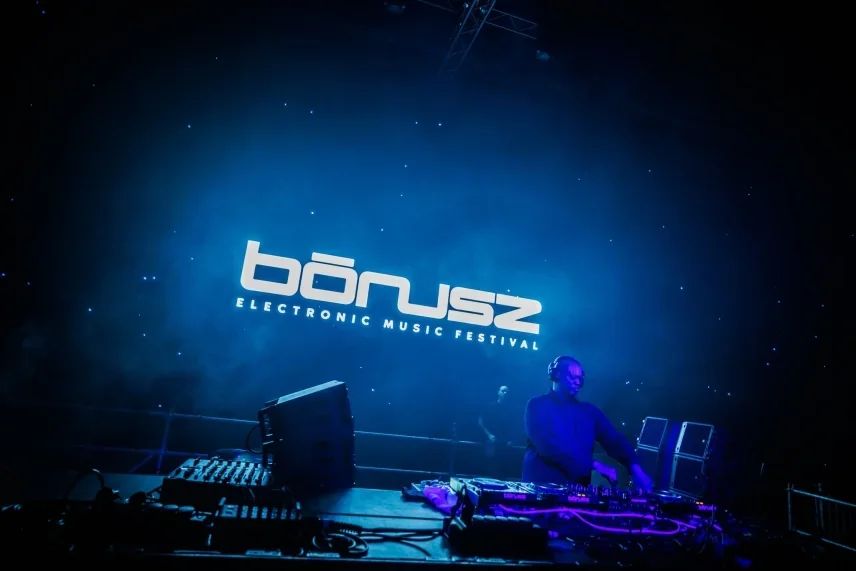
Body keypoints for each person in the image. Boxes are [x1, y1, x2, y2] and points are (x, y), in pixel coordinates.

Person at [523, 356, 653, 492]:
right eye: (572, 376)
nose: (577, 381)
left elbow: (615, 441)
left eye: (580, 378)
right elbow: (547, 447)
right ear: (556, 374)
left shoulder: (589, 412)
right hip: (540, 490)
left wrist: (636, 469)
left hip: (577, 493)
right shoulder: (536, 405)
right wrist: (595, 465)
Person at [478, 385, 513, 458]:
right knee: (489, 460)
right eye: (503, 391)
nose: (505, 393)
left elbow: (513, 426)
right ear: (498, 392)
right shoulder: (490, 406)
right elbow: (481, 422)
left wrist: (511, 439)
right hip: (490, 441)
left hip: (504, 442)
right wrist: (489, 435)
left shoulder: (511, 410)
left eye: (507, 392)